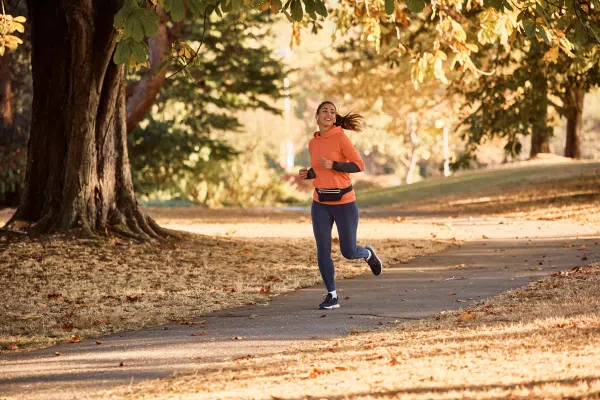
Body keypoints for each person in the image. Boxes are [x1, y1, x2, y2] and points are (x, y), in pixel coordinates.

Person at [299, 101, 382, 310]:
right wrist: (308, 174)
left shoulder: (341, 139)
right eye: (324, 111)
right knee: (323, 250)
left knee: (348, 251)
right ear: (316, 116)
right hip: (320, 203)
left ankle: (368, 254)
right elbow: (320, 170)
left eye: (332, 112)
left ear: (335, 118)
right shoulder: (313, 142)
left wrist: (335, 165)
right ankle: (332, 295)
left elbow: (359, 165)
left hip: (344, 203)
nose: (328, 114)